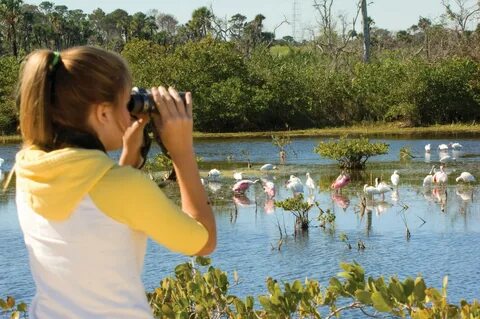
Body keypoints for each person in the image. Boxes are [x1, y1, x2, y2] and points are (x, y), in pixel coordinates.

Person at [15, 46, 216, 318]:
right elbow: (203, 241)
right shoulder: (124, 187)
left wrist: (127, 158)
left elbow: (98, 218)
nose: (130, 113)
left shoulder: (29, 172)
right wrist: (181, 151)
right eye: (125, 103)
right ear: (103, 114)